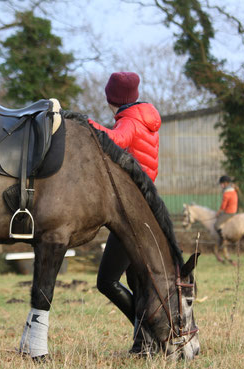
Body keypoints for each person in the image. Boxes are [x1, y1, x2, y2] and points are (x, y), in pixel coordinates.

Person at [87, 71, 161, 353]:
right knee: (136, 281)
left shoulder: (130, 121)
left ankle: (150, 332)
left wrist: (87, 123)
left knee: (106, 281)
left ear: (112, 98)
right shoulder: (146, 117)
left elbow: (115, 140)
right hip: (144, 203)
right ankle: (143, 344)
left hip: (130, 210)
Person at [214, 175, 238, 240]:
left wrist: (218, 213)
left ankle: (222, 239)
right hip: (233, 210)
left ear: (225, 183)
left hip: (229, 212)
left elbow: (223, 206)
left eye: (221, 184)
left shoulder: (227, 193)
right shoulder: (233, 190)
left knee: (216, 225)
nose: (221, 185)